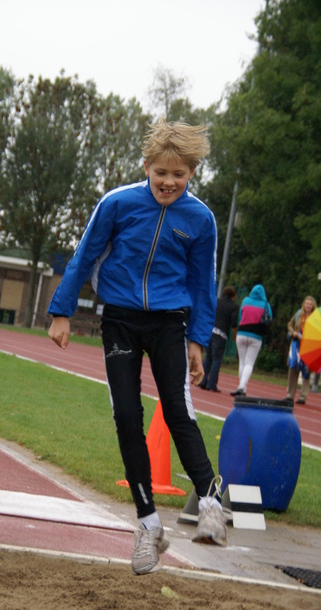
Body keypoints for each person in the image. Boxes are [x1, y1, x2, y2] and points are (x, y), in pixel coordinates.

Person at [48, 120, 228, 575]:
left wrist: (196, 341)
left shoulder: (201, 219)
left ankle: (211, 502)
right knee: (127, 416)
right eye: (160, 172)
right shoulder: (117, 204)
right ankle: (148, 525)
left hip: (170, 322)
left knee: (178, 409)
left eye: (179, 174)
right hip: (121, 321)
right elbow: (86, 253)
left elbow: (203, 286)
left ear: (191, 174)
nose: (169, 182)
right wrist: (62, 310)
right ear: (145, 166)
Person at [230, 284, 272, 397]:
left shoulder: (245, 301)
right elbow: (269, 320)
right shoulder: (265, 305)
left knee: (242, 362)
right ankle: (241, 387)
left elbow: (240, 316)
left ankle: (242, 388)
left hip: (242, 333)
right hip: (256, 335)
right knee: (249, 363)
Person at [200, 285, 238, 392]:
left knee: (208, 357)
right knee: (217, 359)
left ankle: (202, 380)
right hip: (221, 334)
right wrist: (235, 335)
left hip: (211, 331)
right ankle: (211, 384)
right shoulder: (233, 306)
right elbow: (234, 322)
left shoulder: (217, 301)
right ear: (234, 295)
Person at [285, 295, 317, 405]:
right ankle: (290, 394)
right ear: (304, 304)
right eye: (307, 303)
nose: (308, 306)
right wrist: (293, 332)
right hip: (296, 344)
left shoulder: (316, 317)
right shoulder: (299, 314)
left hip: (308, 345)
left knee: (306, 370)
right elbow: (290, 324)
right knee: (293, 367)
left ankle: (303, 396)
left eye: (310, 304)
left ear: (313, 306)